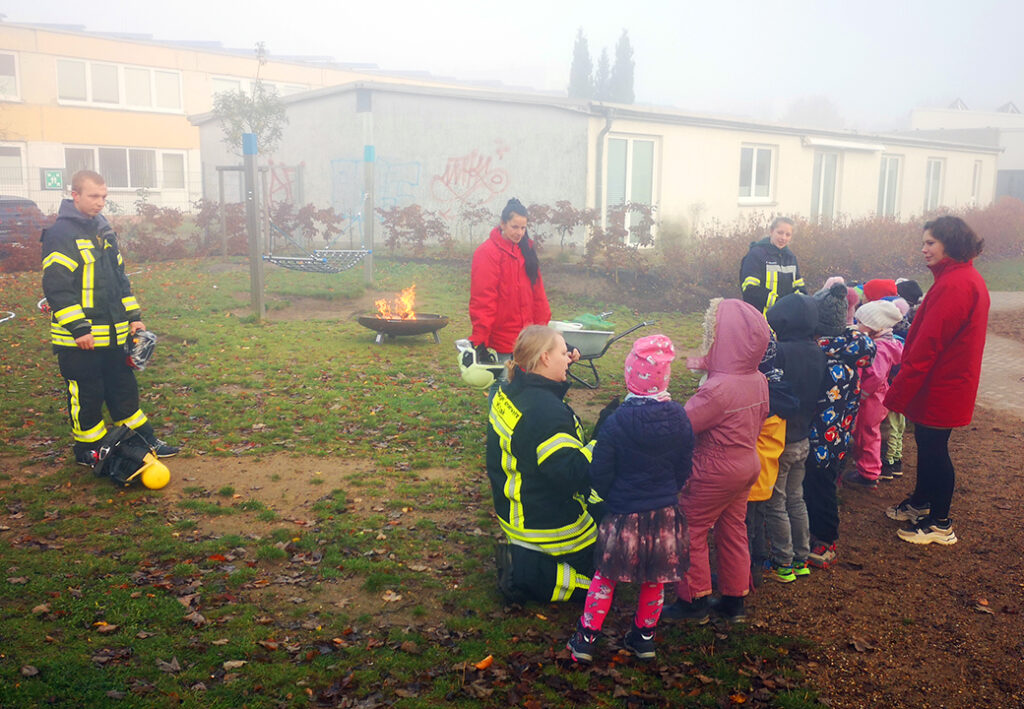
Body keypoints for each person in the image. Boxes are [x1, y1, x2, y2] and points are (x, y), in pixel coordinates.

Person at [566, 335, 693, 663]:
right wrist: (669, 491)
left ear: (629, 377)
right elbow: (684, 465)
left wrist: (610, 499)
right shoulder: (680, 417)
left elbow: (601, 470)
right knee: (656, 578)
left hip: (624, 513)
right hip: (665, 513)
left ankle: (586, 638)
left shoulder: (617, 420)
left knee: (605, 575)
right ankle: (645, 638)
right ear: (665, 378)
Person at [41, 170, 178, 465]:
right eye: (93, 196)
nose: (100, 202)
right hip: (80, 340)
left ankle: (142, 440)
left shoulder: (103, 228)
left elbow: (119, 278)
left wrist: (134, 317)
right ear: (75, 195)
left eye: (104, 196)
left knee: (123, 389)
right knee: (87, 395)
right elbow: (57, 288)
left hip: (115, 334)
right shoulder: (60, 235)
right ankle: (88, 451)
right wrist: (78, 329)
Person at [884, 217, 990, 545]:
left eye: (930, 243)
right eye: (924, 242)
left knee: (935, 447)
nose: (924, 249)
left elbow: (930, 343)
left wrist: (899, 390)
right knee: (927, 444)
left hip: (943, 383)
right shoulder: (956, 278)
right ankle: (922, 502)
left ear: (950, 244)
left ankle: (940, 523)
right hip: (943, 381)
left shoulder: (956, 284)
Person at [662, 299, 769, 623]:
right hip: (747, 464)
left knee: (689, 528)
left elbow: (683, 425)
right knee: (733, 528)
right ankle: (735, 600)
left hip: (714, 470)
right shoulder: (758, 379)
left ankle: (694, 600)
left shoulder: (718, 389)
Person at [487, 325, 600, 604]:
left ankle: (525, 554)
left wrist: (561, 349)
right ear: (545, 358)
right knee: (603, 581)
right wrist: (605, 438)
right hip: (545, 525)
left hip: (515, 508)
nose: (569, 360)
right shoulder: (546, 413)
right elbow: (572, 475)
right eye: (563, 353)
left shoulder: (509, 388)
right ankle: (523, 571)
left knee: (603, 512)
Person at [804, 283, 876, 569]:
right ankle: (818, 531)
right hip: (839, 436)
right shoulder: (848, 353)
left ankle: (825, 540)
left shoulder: (825, 360)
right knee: (824, 487)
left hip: (820, 439)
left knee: (820, 491)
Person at [763, 293, 826, 582]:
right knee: (796, 500)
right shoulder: (818, 351)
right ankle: (801, 558)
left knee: (775, 503)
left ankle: (783, 562)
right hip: (803, 438)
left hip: (780, 440)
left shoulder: (779, 351)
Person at [469, 198, 552, 397]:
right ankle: (496, 427)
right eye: (515, 227)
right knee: (503, 388)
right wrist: (480, 339)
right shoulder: (487, 253)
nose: (519, 232)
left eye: (523, 228)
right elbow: (483, 299)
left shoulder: (526, 251)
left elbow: (538, 294)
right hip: (503, 337)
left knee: (526, 388)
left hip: (528, 335)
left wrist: (542, 329)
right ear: (503, 223)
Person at [739, 217, 806, 315]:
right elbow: (750, 289)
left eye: (788, 235)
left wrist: (798, 304)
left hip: (786, 320)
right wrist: (780, 303)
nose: (783, 238)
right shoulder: (756, 255)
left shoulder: (791, 258)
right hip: (760, 319)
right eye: (780, 232)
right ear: (771, 231)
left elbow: (800, 288)